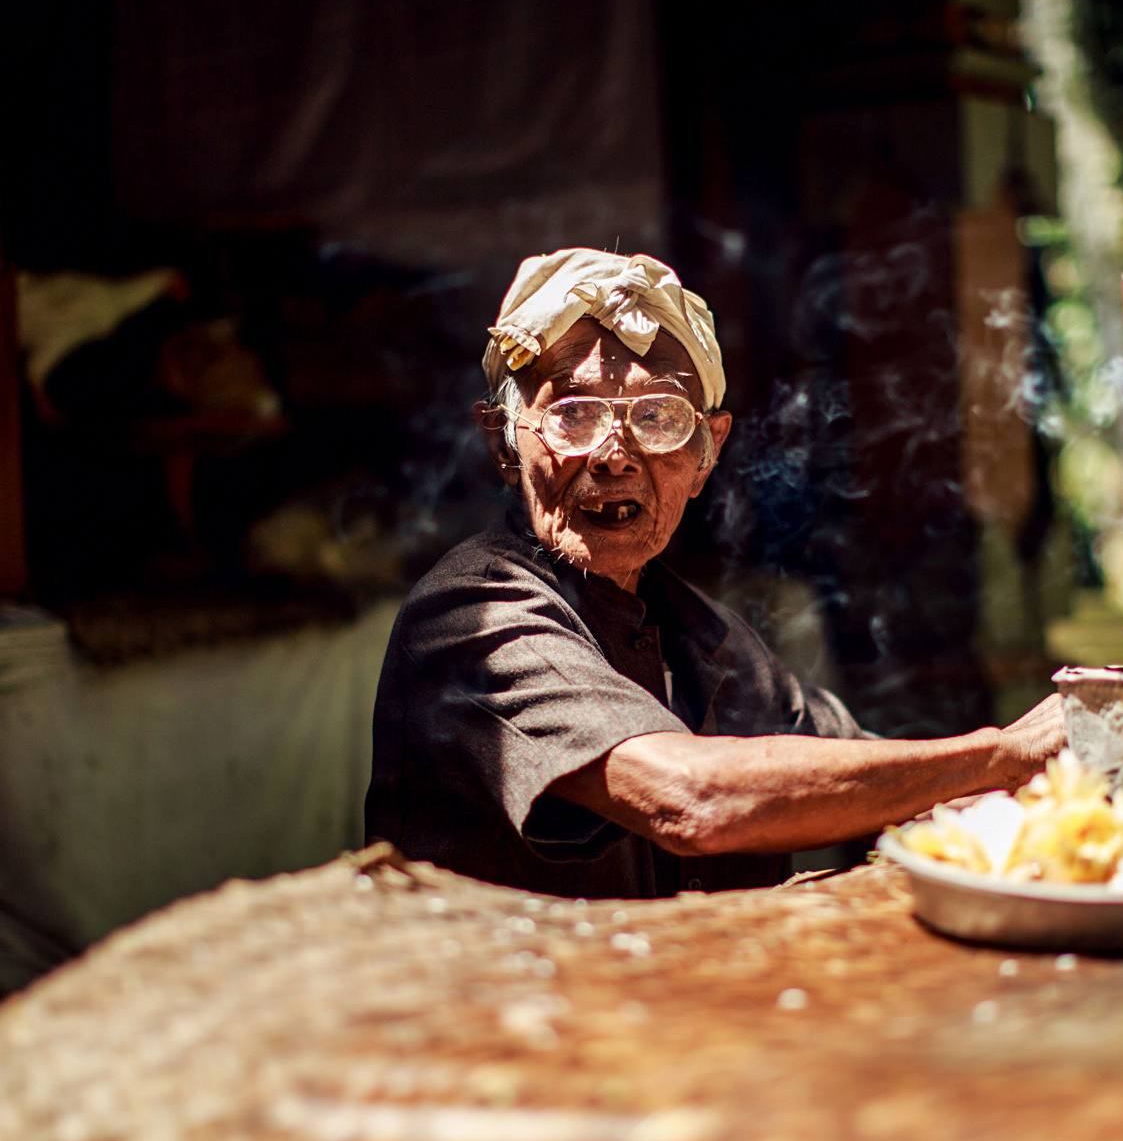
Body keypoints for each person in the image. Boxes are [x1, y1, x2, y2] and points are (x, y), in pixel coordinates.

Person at [364, 248, 1069, 898]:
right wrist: (1004, 753)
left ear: (706, 450)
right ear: (502, 443)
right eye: (573, 414)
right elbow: (691, 799)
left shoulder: (702, 635)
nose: (614, 453)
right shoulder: (471, 616)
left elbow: (889, 786)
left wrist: (1070, 757)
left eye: (658, 417)